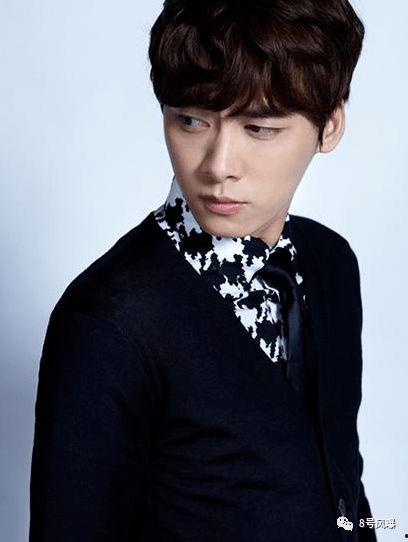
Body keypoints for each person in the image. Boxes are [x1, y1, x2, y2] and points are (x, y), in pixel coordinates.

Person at [29, 1, 377, 540]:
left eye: (258, 128)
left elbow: (343, 487)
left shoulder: (330, 263)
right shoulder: (109, 321)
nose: (217, 166)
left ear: (329, 126)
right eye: (191, 120)